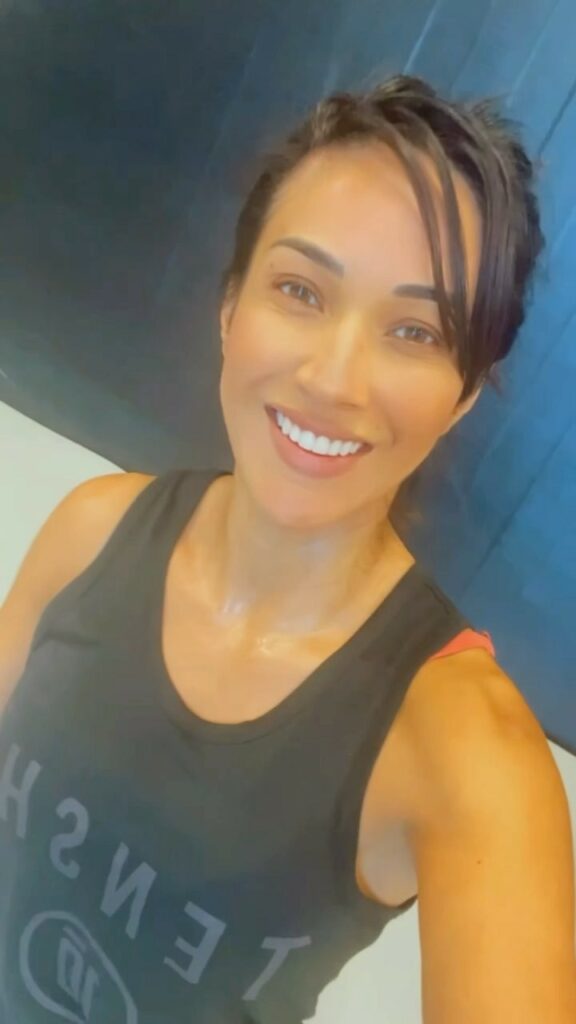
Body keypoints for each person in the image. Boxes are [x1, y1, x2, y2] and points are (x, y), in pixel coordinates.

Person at [0, 74, 574, 1024]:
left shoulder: (471, 751)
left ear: (463, 395)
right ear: (231, 307)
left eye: (414, 330)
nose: (334, 379)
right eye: (300, 290)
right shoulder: (92, 530)